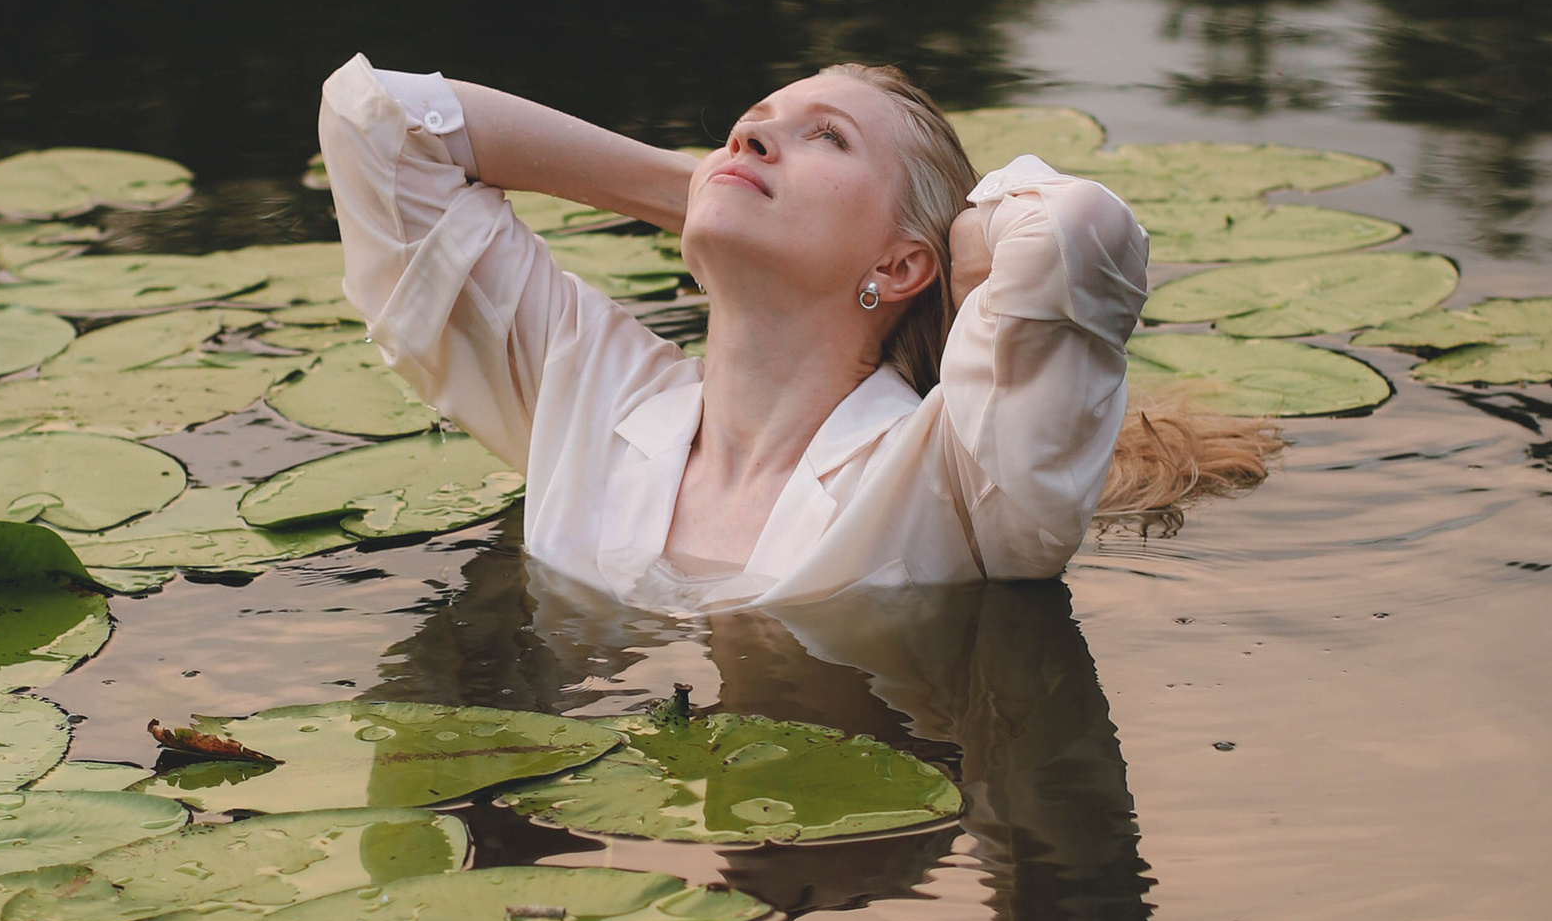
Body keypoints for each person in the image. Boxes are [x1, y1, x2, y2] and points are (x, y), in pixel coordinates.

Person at [317, 52, 1278, 609]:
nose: (749, 134)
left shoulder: (962, 476)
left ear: (903, 265)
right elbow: (384, 124)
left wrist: (964, 252)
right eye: (754, 123)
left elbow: (1076, 233)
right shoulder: (590, 401)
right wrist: (699, 187)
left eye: (830, 137)